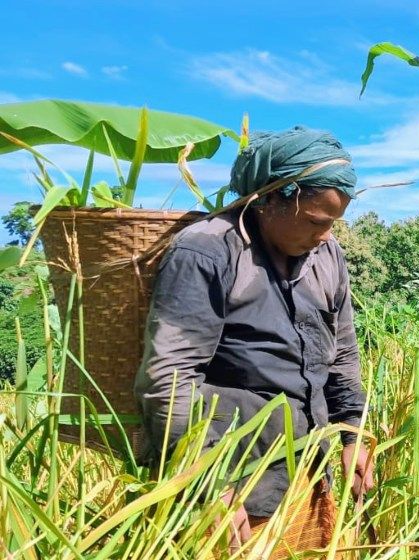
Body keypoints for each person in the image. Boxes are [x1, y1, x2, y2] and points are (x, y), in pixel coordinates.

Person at [134, 127, 373, 558]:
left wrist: (352, 433)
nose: (325, 235)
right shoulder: (207, 252)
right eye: (315, 221)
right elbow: (170, 378)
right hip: (231, 479)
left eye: (333, 223)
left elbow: (342, 351)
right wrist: (208, 483)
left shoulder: (327, 254)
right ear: (269, 199)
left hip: (305, 465)